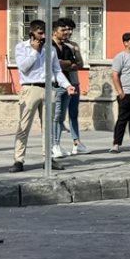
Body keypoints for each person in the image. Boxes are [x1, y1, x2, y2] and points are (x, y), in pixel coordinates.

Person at [11, 20, 76, 172]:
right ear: (32, 33)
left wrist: (67, 85)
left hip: (49, 88)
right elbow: (23, 68)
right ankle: (18, 160)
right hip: (30, 88)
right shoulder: (22, 47)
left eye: (44, 33)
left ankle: (48, 159)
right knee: (24, 126)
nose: (43, 36)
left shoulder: (50, 50)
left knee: (48, 127)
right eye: (40, 33)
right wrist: (34, 51)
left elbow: (57, 71)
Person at [49, 19, 81, 159]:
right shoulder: (48, 46)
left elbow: (75, 64)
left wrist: (63, 63)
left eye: (67, 30)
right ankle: (53, 145)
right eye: (63, 30)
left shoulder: (67, 48)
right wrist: (63, 64)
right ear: (55, 32)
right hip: (53, 86)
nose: (66, 33)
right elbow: (52, 65)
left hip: (66, 84)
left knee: (61, 118)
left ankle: (57, 144)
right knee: (54, 117)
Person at [58, 17, 88, 155]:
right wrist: (69, 64)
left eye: (70, 29)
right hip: (60, 84)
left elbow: (80, 64)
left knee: (74, 114)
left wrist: (69, 65)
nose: (68, 32)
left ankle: (76, 142)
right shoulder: (53, 45)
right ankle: (56, 144)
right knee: (58, 116)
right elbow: (55, 64)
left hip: (74, 82)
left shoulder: (74, 45)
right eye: (66, 29)